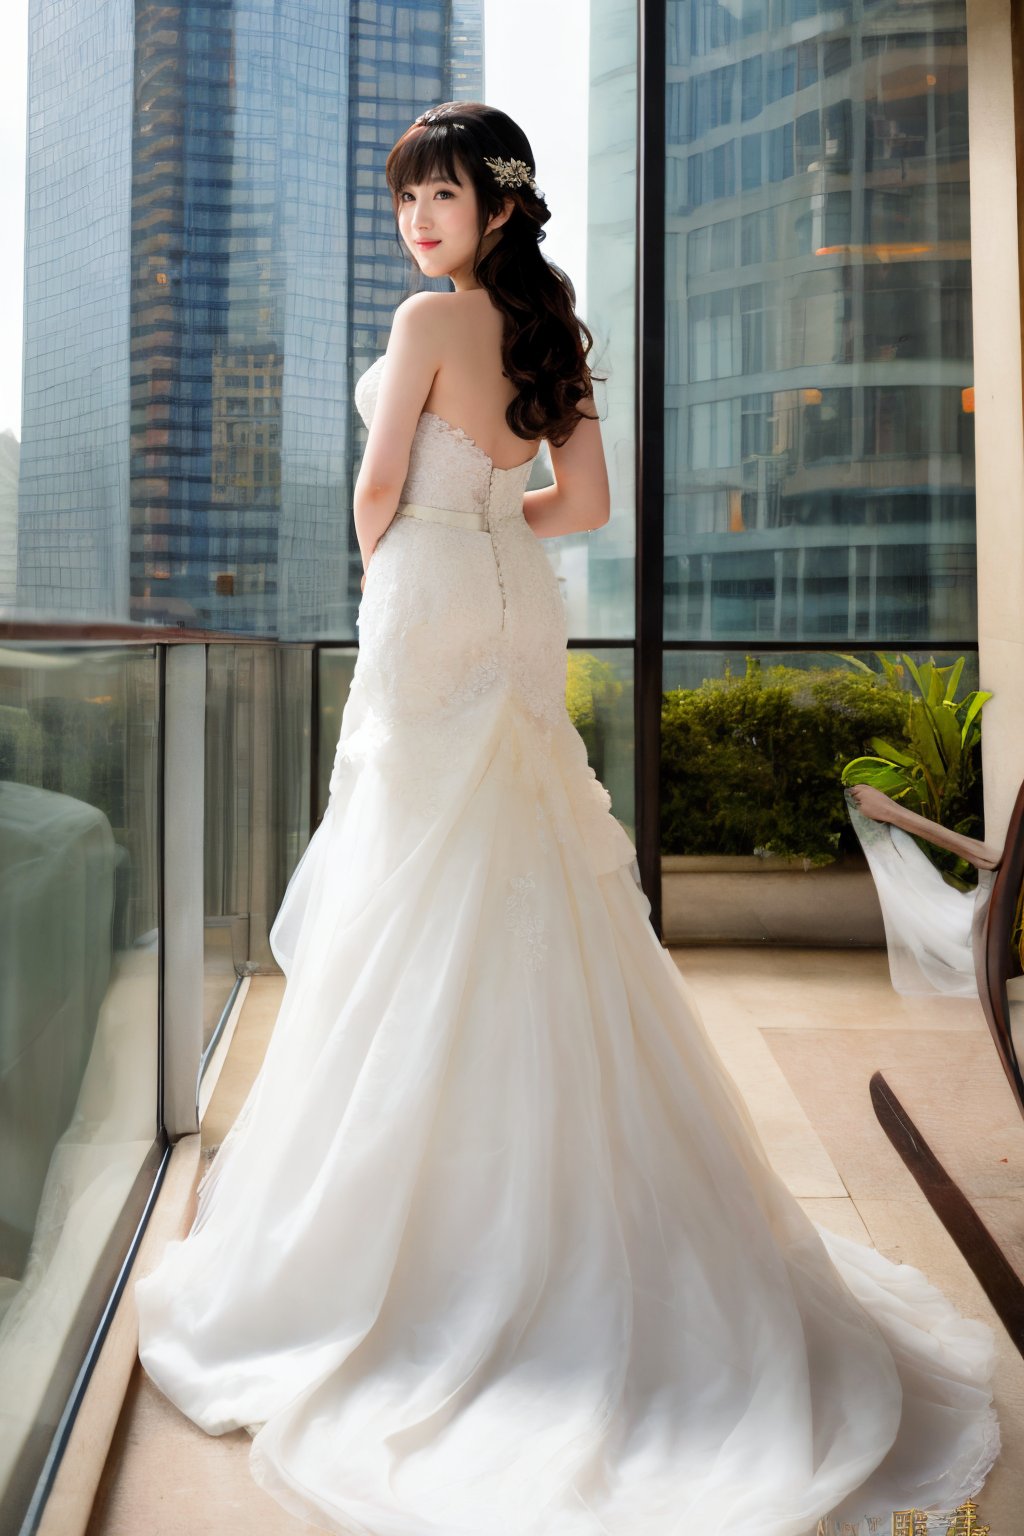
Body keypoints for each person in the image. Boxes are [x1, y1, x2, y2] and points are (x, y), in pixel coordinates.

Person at [135, 102, 1001, 1536]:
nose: (418, 220)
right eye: (407, 196)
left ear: (495, 207)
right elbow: (581, 503)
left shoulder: (427, 323)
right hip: (514, 608)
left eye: (440, 195)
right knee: (521, 859)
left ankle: (408, 1237)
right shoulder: (552, 330)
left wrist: (413, 554)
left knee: (414, 873)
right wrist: (489, 533)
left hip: (425, 597)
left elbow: (370, 490)